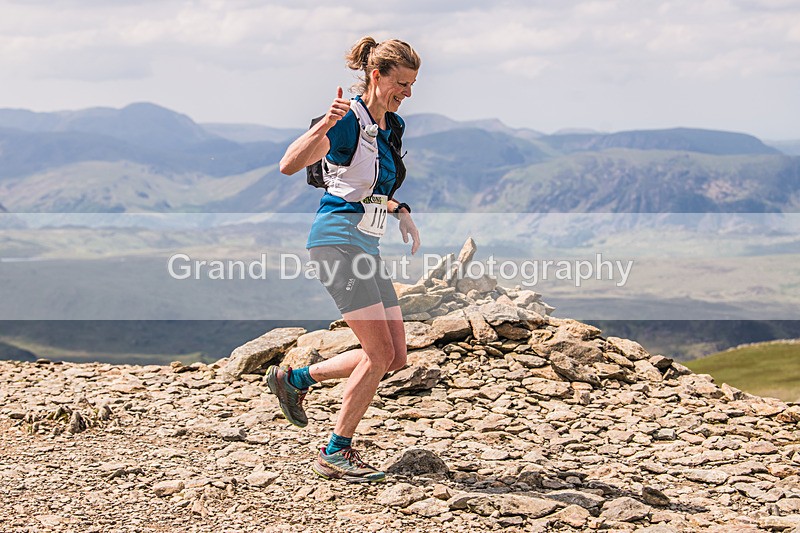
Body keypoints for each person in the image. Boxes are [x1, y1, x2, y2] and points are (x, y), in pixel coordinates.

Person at [268, 36, 421, 483]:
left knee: (395, 357)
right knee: (377, 353)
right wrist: (322, 127)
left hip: (364, 245)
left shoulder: (390, 126)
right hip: (336, 242)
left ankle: (295, 380)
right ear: (377, 75)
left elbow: (367, 187)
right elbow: (288, 165)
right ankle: (336, 451)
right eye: (402, 84)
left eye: (412, 86)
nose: (407, 93)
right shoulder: (346, 120)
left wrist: (399, 209)